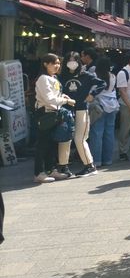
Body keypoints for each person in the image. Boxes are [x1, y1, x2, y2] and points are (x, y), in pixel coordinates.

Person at [57, 52, 106, 177]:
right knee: (64, 138)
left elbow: (102, 83)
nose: (72, 62)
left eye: (75, 59)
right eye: (69, 59)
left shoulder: (86, 75)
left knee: (79, 139)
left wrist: (92, 95)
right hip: (66, 110)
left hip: (81, 109)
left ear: (79, 62)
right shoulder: (62, 76)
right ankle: (63, 166)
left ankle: (90, 165)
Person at [33, 54, 75, 183]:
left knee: (52, 143)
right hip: (44, 114)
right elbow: (49, 98)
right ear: (45, 64)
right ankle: (39, 173)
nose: (57, 66)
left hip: (54, 114)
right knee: (42, 144)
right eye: (54, 63)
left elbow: (55, 95)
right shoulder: (43, 78)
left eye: (58, 63)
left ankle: (51, 170)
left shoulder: (53, 78)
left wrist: (64, 96)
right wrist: (65, 101)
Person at [88, 57, 120, 168]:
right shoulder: (113, 76)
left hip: (99, 107)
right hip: (112, 106)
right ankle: (108, 159)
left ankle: (96, 160)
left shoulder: (95, 76)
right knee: (109, 133)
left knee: (97, 133)